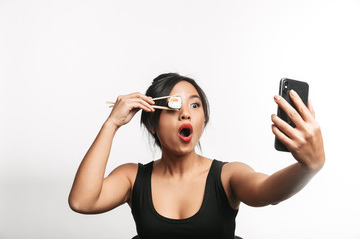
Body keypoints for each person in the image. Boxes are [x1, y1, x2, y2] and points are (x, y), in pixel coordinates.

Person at [68, 73, 325, 239]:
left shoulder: (228, 176)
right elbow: (82, 202)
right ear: (151, 123)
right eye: (173, 106)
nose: (186, 114)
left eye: (195, 105)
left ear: (204, 119)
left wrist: (309, 167)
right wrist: (111, 124)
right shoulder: (132, 177)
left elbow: (268, 192)